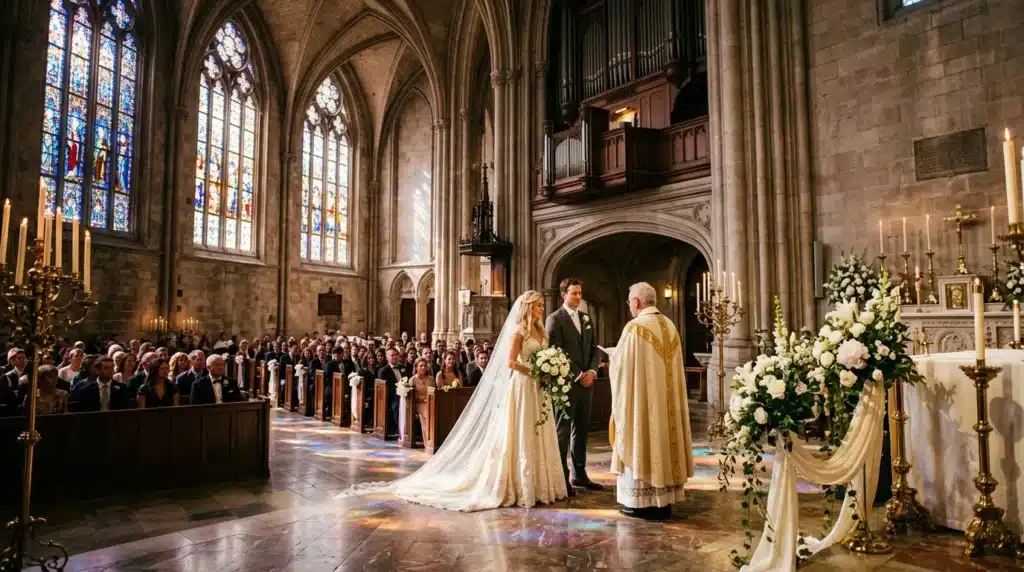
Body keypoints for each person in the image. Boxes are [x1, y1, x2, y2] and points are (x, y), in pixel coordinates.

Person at [341, 290, 567, 511]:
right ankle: (518, 484)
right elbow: (510, 362)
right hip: (523, 386)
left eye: (542, 306)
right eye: (538, 305)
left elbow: (542, 356)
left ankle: (540, 484)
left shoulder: (541, 331)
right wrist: (535, 371)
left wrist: (548, 368)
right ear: (528, 307)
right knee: (521, 430)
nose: (541, 309)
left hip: (539, 387)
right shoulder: (518, 331)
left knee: (538, 430)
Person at [608, 282, 693, 520]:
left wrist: (612, 358)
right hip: (667, 405)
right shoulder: (670, 325)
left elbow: (623, 368)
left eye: (629, 303)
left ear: (636, 302)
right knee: (663, 441)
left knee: (642, 437)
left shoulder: (635, 328)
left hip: (643, 405)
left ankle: (640, 502)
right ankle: (663, 500)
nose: (629, 307)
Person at [545, 278, 602, 495]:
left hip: (587, 384)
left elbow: (594, 348)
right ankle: (562, 478)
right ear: (563, 295)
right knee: (563, 431)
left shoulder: (586, 318)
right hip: (566, 385)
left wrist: (592, 371)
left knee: (582, 430)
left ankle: (579, 474)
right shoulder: (555, 319)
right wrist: (578, 374)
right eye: (574, 293)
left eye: (580, 293)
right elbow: (556, 352)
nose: (578, 297)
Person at [410, 357, 434, 442]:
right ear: (416, 367)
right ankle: (428, 442)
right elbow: (412, 397)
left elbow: (433, 393)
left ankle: (433, 440)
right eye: (421, 366)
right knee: (427, 413)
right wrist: (423, 400)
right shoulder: (412, 380)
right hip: (418, 404)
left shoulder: (430, 379)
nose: (423, 367)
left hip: (430, 403)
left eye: (425, 366)